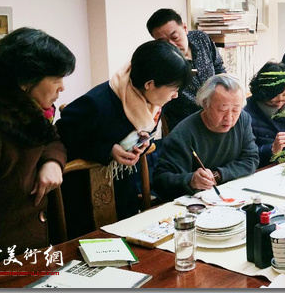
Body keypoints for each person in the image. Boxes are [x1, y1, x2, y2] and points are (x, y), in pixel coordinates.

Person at [0, 28, 76, 276]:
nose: (62, 87)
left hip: (28, 255)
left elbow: (52, 139)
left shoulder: (26, 111)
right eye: (55, 79)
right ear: (25, 81)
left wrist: (52, 161)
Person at [56, 40, 191, 220]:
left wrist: (142, 143)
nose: (175, 95)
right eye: (173, 89)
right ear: (150, 84)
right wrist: (108, 150)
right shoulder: (96, 103)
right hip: (84, 193)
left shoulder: (153, 101)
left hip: (123, 184)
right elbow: (61, 137)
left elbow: (141, 134)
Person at [153, 74, 259, 201]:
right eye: (222, 109)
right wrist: (191, 181)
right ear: (205, 104)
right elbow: (161, 181)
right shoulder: (183, 134)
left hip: (232, 194)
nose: (229, 117)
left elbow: (251, 159)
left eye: (235, 110)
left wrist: (218, 175)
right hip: (193, 205)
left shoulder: (243, 119)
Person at [147, 8, 227, 132]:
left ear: (184, 28)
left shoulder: (201, 39)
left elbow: (219, 68)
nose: (172, 45)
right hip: (185, 125)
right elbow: (154, 102)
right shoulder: (159, 63)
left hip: (218, 113)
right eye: (164, 43)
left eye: (175, 37)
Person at [244, 62, 285, 169]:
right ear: (262, 92)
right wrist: (272, 149)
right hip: (264, 169)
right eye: (274, 95)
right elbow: (245, 156)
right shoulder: (246, 113)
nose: (280, 100)